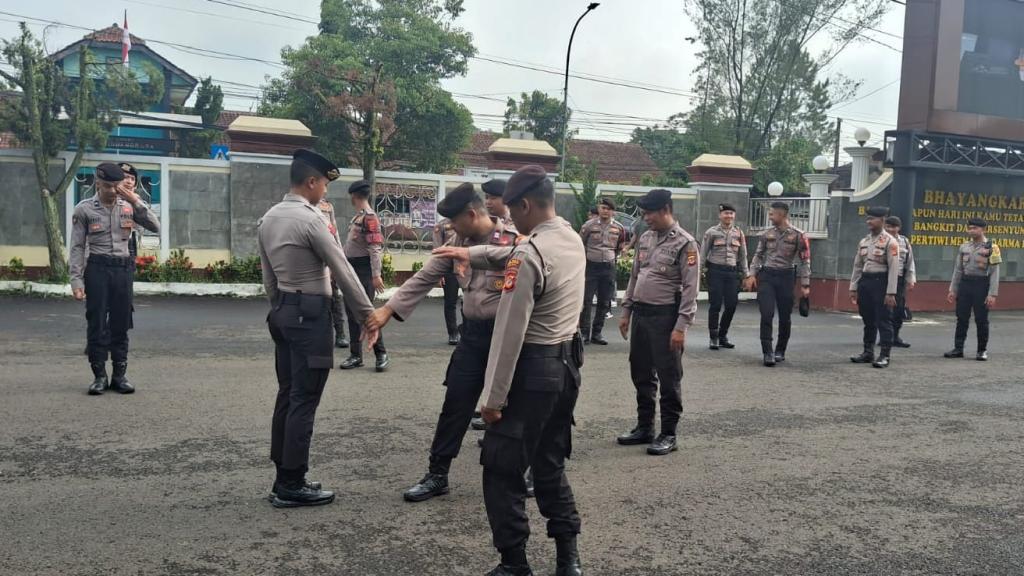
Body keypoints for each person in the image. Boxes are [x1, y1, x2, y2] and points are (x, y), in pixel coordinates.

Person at [434, 165, 585, 576]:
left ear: (524, 204)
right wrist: (470, 252)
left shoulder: (528, 255)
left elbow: (509, 333)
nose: (507, 217)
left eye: (510, 209)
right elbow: (512, 252)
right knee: (550, 462)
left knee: (501, 470)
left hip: (531, 374)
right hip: (566, 368)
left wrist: (493, 400)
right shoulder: (570, 238)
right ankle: (567, 558)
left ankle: (515, 563)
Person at [365, 183, 519, 503]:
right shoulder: (456, 242)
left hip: (507, 337)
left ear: (472, 214)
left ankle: (521, 469)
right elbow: (424, 276)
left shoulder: (511, 242)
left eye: (455, 221)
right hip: (473, 335)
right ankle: (437, 474)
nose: (451, 228)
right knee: (456, 404)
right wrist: (387, 310)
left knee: (512, 407)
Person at [257, 149, 378, 508]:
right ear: (310, 181)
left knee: (288, 393)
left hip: (282, 311)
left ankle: (284, 474)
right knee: (305, 400)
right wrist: (368, 316)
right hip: (310, 316)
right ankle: (292, 484)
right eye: (324, 184)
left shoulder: (268, 218)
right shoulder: (311, 220)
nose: (325, 191)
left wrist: (280, 307)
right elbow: (341, 267)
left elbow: (268, 277)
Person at [616, 189, 699, 456]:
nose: (645, 218)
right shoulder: (646, 237)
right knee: (640, 373)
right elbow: (634, 276)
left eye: (649, 213)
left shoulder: (686, 243)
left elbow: (690, 289)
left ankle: (669, 434)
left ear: (665, 209)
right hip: (641, 314)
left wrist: (680, 327)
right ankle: (645, 428)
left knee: (668, 376)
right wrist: (627, 311)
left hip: (666, 317)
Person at [70, 163, 160, 396]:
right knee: (97, 322)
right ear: (97, 183)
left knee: (121, 323)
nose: (111, 190)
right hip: (97, 268)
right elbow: (77, 247)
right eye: (107, 186)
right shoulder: (84, 209)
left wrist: (136, 201)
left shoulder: (130, 206)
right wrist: (76, 280)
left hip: (122, 270)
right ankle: (99, 376)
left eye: (115, 186)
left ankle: (119, 375)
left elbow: (155, 226)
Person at [743, 201, 811, 367]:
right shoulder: (766, 234)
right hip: (767, 276)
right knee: (766, 314)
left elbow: (805, 260)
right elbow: (758, 255)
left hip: (786, 277)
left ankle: (780, 350)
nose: (770, 216)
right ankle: (768, 352)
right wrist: (752, 275)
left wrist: (805, 284)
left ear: (782, 215)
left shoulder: (799, 235)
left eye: (772, 214)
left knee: (785, 316)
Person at [340, 179, 389, 372]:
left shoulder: (369, 218)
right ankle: (355, 355)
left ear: (354, 196)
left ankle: (381, 353)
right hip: (351, 269)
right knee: (352, 312)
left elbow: (375, 249)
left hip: (364, 270)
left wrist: (376, 275)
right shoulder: (359, 217)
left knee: (366, 312)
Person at [848, 207, 900, 369]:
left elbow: (894, 268)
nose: (868, 221)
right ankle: (867, 352)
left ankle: (884, 355)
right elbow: (857, 265)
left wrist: (891, 292)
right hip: (866, 282)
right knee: (868, 319)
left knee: (883, 320)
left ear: (882, 220)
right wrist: (853, 286)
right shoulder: (864, 241)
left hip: (881, 282)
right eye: (868, 218)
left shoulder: (890, 242)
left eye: (872, 219)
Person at [944, 218, 1001, 361]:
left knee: (981, 319)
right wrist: (953, 289)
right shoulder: (964, 247)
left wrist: (992, 294)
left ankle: (982, 350)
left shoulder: (992, 247)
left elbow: (995, 272)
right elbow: (958, 270)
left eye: (975, 228)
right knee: (961, 318)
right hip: (965, 284)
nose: (971, 231)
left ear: (983, 229)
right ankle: (958, 348)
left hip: (981, 285)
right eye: (970, 228)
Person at [579, 197, 626, 345]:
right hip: (591, 266)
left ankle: (597, 333)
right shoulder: (588, 225)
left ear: (613, 211)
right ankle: (585, 333)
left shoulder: (619, 228)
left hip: (608, 267)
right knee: (586, 301)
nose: (605, 211)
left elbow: (619, 246)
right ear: (598, 209)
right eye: (602, 208)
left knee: (604, 302)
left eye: (608, 209)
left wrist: (612, 257)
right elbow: (581, 243)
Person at [700, 203, 747, 350]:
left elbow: (743, 255)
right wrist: (698, 271)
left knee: (732, 305)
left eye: (731, 213)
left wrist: (746, 274)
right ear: (720, 215)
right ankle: (713, 337)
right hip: (715, 272)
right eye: (726, 213)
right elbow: (703, 253)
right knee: (715, 304)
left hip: (732, 273)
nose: (729, 216)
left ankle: (722, 335)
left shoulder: (739, 233)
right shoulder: (711, 232)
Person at [317, 196, 349, 349]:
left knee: (335, 300)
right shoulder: (306, 206)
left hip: (329, 260)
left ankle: (340, 334)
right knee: (316, 302)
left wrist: (339, 260)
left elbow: (335, 234)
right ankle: (320, 336)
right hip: (313, 263)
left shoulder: (328, 205)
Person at [884, 216, 916, 348]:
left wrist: (911, 278)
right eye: (888, 226)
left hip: (899, 279)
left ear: (899, 228)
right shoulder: (881, 240)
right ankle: (885, 337)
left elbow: (909, 260)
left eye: (894, 227)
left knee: (898, 309)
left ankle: (895, 337)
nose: (891, 229)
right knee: (884, 310)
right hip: (883, 278)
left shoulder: (904, 241)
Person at [433, 217, 462, 345]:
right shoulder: (441, 226)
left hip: (467, 267)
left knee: (470, 301)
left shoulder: (466, 221)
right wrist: (439, 274)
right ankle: (453, 333)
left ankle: (467, 331)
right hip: (449, 269)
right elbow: (437, 250)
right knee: (450, 303)